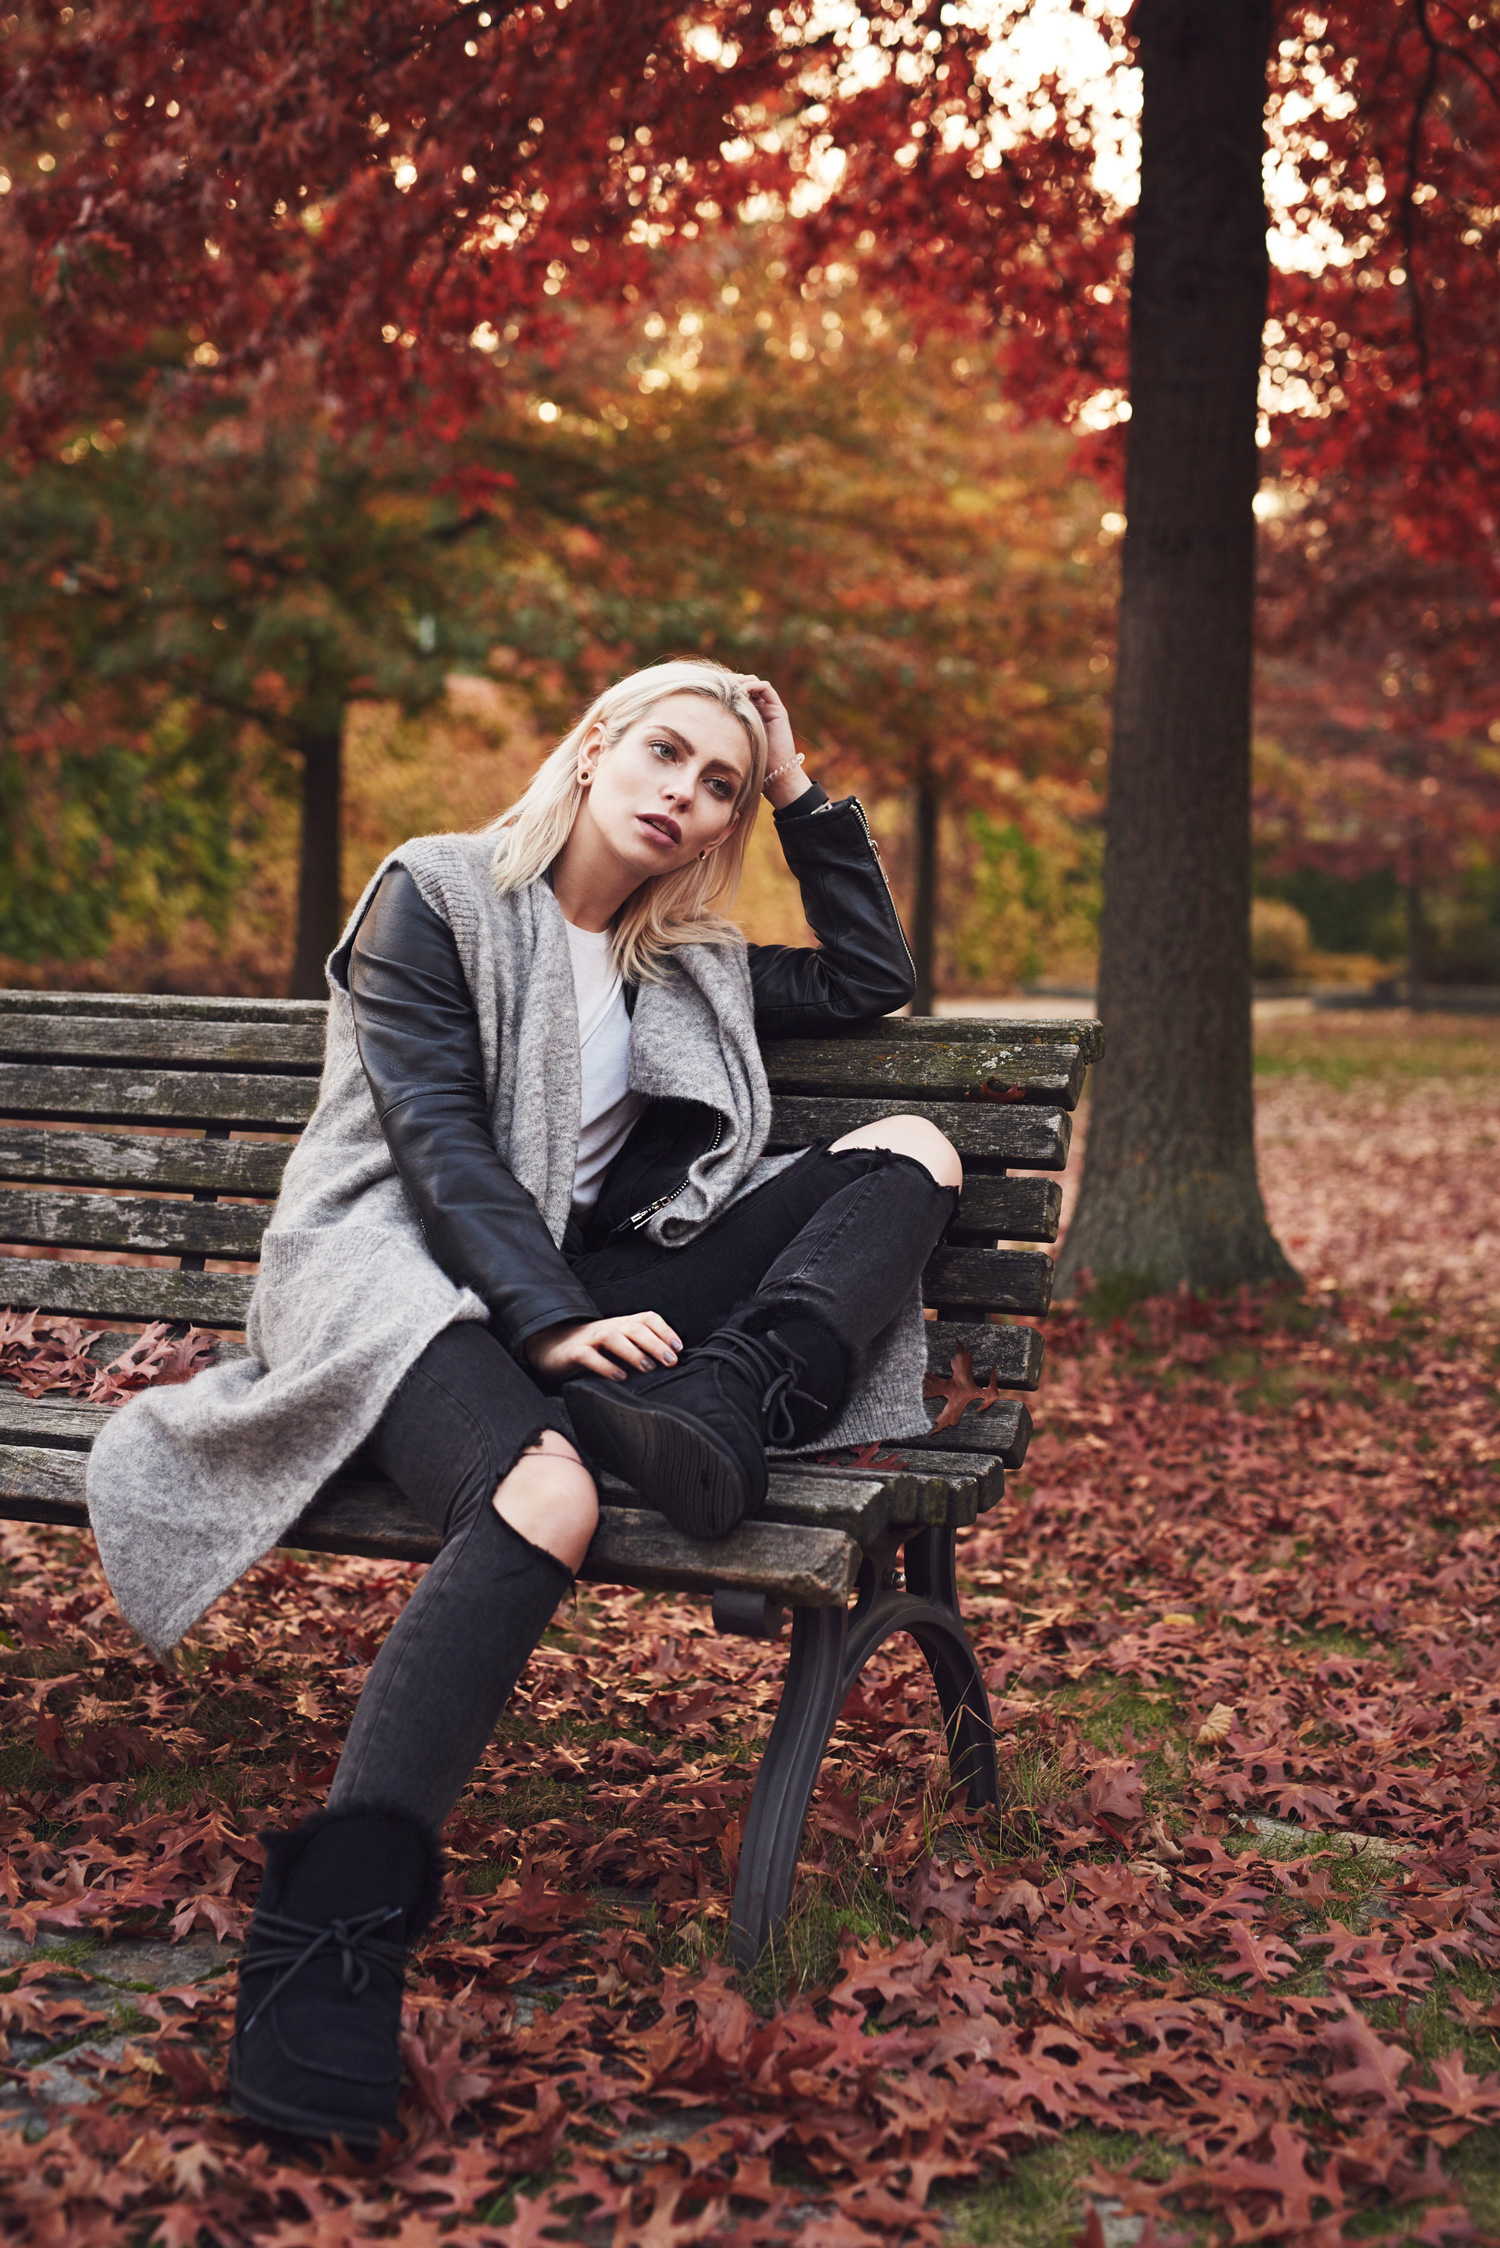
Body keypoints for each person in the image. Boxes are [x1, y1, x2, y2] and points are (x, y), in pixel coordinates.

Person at [86, 659, 961, 2148]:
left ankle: (726, 1407)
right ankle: (322, 1965)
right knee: (543, 1495)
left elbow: (873, 979)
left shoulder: (686, 965)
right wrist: (551, 1330)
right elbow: (434, 1141)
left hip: (586, 1282)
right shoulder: (433, 896)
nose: (684, 795)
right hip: (396, 1274)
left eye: (721, 787)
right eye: (668, 753)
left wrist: (806, 789)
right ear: (601, 740)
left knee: (913, 1147)